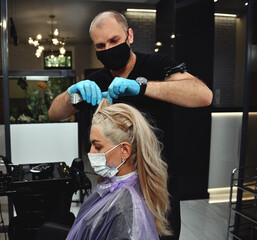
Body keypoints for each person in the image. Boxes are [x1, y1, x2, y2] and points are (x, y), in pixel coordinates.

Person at [48, 10, 213, 239]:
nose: (108, 49)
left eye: (114, 41)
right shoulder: (98, 80)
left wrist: (143, 87)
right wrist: (72, 94)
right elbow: (55, 112)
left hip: (158, 184)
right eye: (101, 46)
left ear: (130, 36)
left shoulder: (157, 65)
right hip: (116, 186)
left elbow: (203, 95)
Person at [66, 99, 170, 239]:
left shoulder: (128, 208)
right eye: (91, 145)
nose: (90, 153)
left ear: (124, 151)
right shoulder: (113, 185)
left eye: (98, 147)